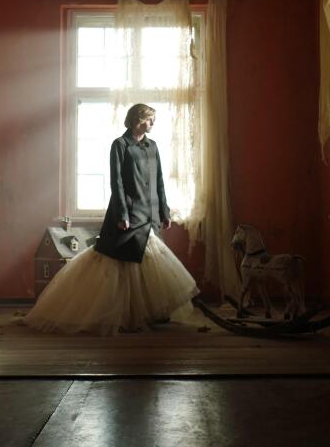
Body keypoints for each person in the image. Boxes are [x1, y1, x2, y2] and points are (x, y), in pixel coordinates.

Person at [24, 103, 199, 335]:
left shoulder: (152, 146)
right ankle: (126, 316)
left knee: (148, 264)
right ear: (138, 119)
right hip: (128, 213)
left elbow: (159, 181)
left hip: (150, 213)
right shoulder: (120, 145)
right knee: (122, 263)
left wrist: (164, 211)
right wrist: (122, 215)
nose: (153, 124)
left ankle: (151, 313)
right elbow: (116, 183)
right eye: (150, 119)